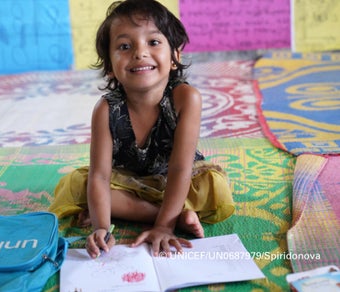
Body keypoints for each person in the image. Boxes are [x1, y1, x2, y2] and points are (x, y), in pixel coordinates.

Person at [49, 0, 235, 259]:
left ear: (175, 58)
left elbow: (181, 168)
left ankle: (165, 214)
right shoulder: (105, 109)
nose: (140, 53)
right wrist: (102, 227)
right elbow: (101, 176)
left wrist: (163, 227)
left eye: (154, 42)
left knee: (214, 189)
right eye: (125, 46)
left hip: (178, 181)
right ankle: (179, 215)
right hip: (127, 180)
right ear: (110, 68)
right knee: (77, 185)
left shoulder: (186, 98)